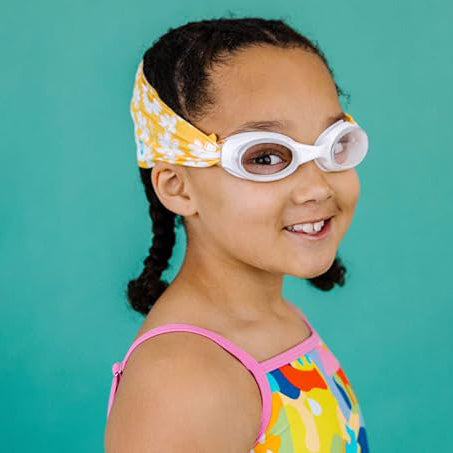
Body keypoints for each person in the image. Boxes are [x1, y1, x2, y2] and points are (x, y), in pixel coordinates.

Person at [104, 16, 370, 452]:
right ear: (178, 187)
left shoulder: (275, 319)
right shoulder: (183, 380)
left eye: (333, 145)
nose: (318, 186)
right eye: (265, 157)